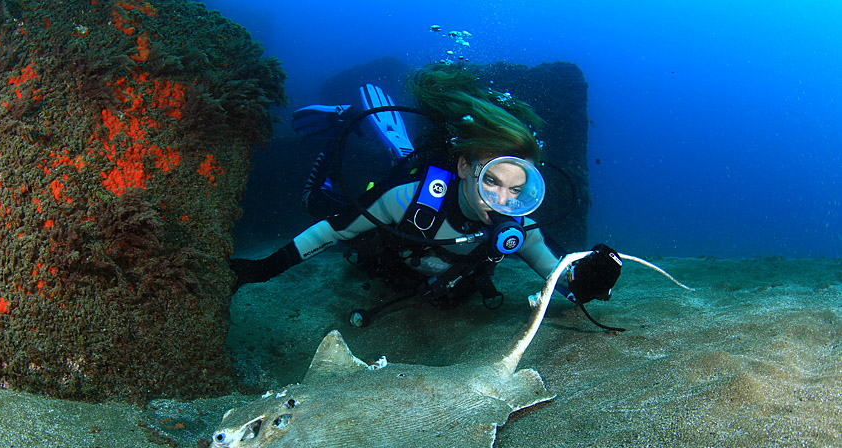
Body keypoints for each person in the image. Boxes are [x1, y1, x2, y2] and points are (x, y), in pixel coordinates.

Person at [231, 65, 610, 322]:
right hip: (388, 252)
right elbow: (333, 230)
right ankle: (345, 124)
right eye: (491, 181)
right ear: (465, 167)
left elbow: (560, 279)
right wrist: (262, 269)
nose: (502, 202)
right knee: (317, 203)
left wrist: (589, 283)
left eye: (517, 190)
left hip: (436, 281)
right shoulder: (408, 197)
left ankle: (401, 148)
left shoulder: (520, 228)